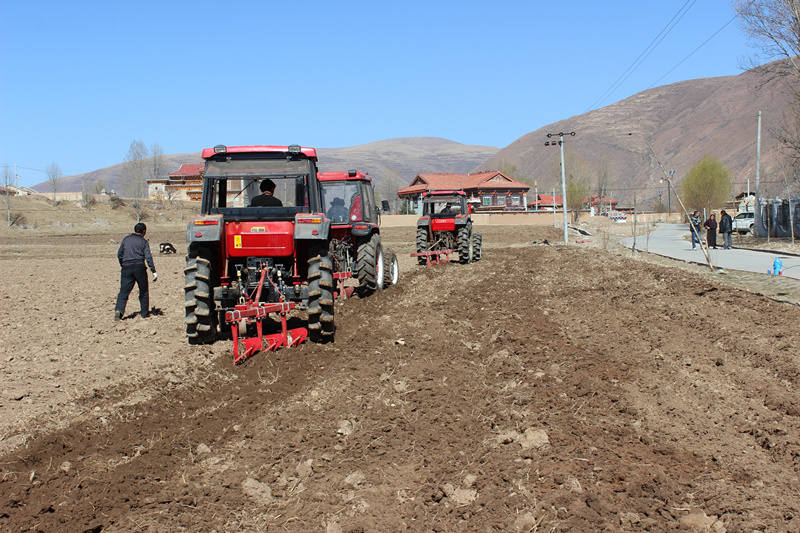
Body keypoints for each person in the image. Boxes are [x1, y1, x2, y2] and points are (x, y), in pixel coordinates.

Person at [115, 222, 157, 320]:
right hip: (139, 267)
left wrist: (123, 264)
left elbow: (119, 254)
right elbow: (148, 257)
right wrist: (153, 271)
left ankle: (119, 310)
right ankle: (144, 313)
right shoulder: (143, 241)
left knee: (123, 291)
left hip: (126, 267)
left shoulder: (126, 239)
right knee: (143, 291)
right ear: (144, 231)